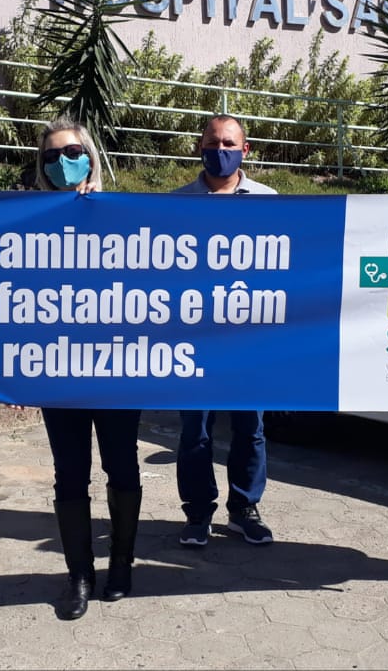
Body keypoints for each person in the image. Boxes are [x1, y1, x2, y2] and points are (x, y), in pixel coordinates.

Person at [33, 117, 142, 620]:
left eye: (71, 152)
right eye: (52, 156)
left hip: (118, 369)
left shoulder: (122, 213)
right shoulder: (27, 220)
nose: (62, 162)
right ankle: (79, 575)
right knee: (70, 474)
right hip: (58, 371)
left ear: (90, 156)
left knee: (122, 467)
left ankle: (121, 564)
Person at [173, 114, 276, 547]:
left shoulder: (271, 202)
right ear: (200, 147)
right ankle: (198, 513)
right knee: (195, 430)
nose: (220, 151)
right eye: (213, 143)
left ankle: (244, 509)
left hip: (249, 339)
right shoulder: (176, 204)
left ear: (245, 150)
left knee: (250, 427)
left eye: (229, 144)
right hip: (195, 337)